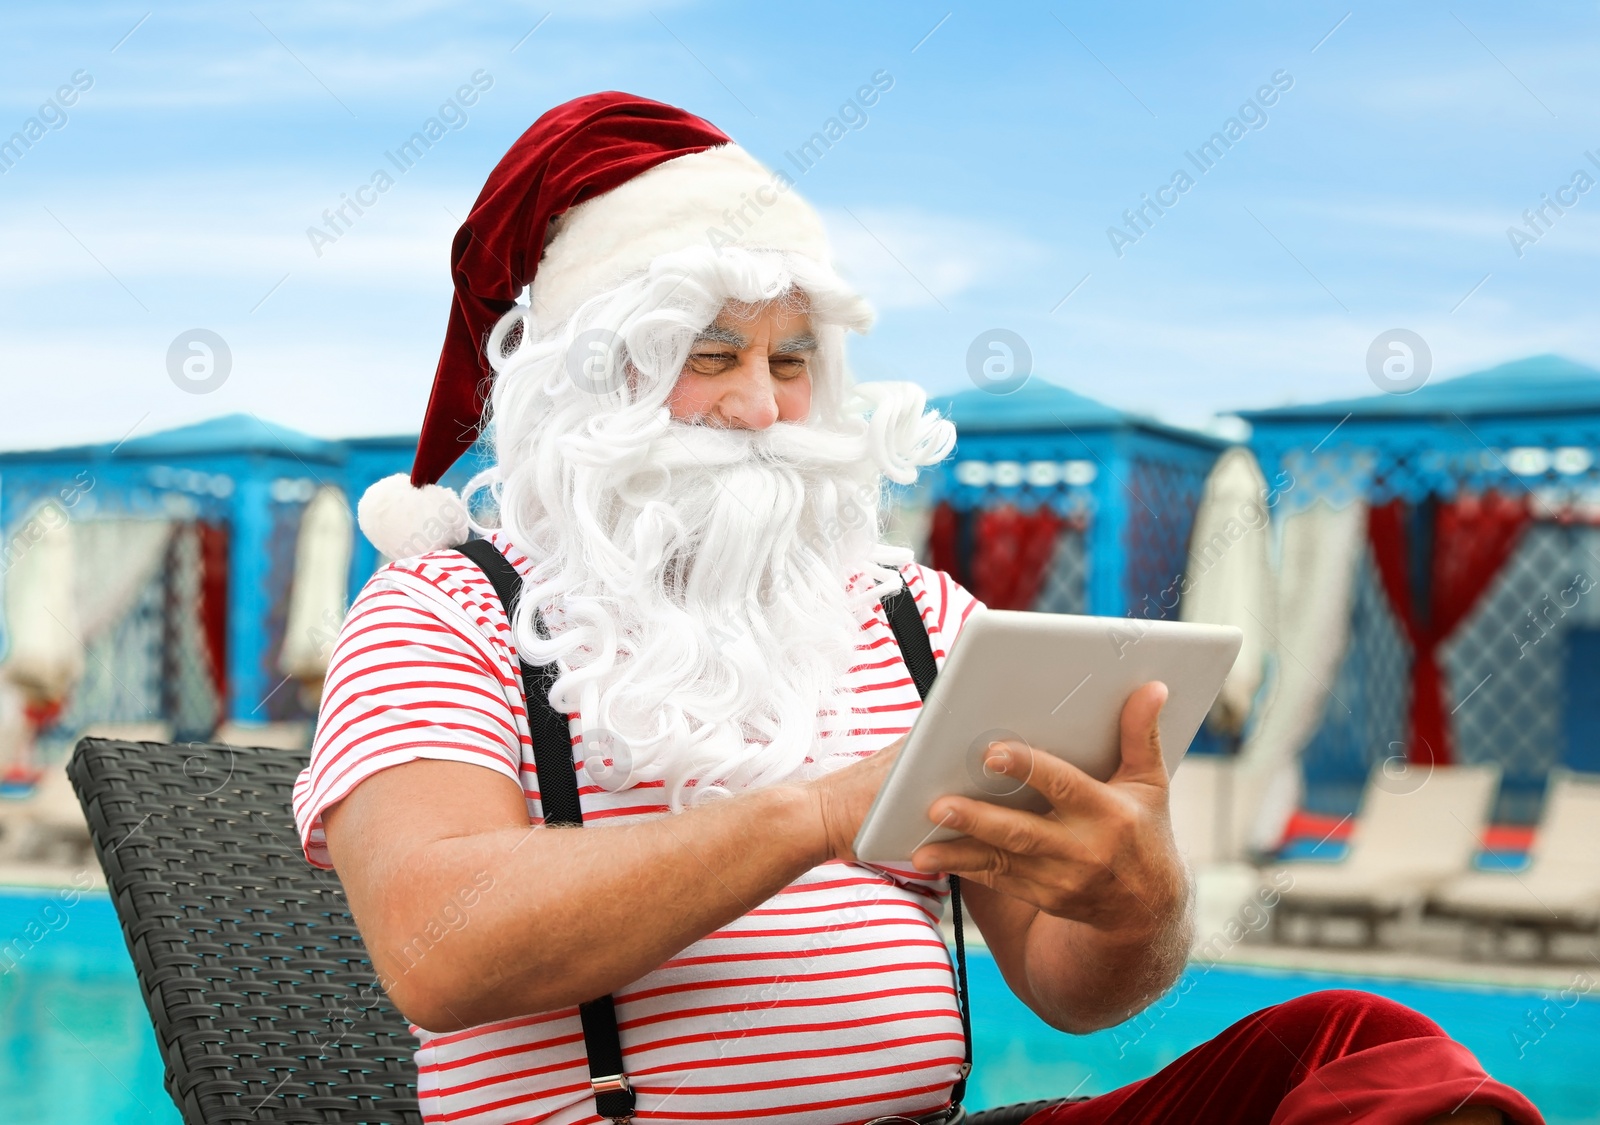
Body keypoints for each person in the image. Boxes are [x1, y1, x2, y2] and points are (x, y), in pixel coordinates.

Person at [293, 92, 1542, 1125]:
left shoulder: (913, 613)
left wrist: (1137, 898)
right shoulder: (443, 607)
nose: (763, 411)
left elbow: (1072, 990)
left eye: (791, 361)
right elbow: (439, 946)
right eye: (710, 357)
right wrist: (821, 812)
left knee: (1357, 1043)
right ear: (585, 384)